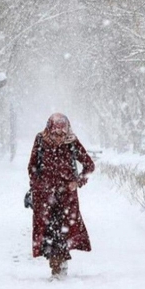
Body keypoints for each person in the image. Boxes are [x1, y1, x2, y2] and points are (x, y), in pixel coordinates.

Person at [27, 113, 95, 280]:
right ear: (49, 130)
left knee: (62, 232)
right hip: (45, 197)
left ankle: (59, 266)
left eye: (62, 134)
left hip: (67, 198)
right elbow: (32, 167)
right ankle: (56, 264)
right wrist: (39, 185)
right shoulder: (40, 140)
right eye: (56, 134)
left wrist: (77, 182)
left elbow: (89, 165)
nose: (59, 138)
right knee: (48, 232)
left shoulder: (72, 142)